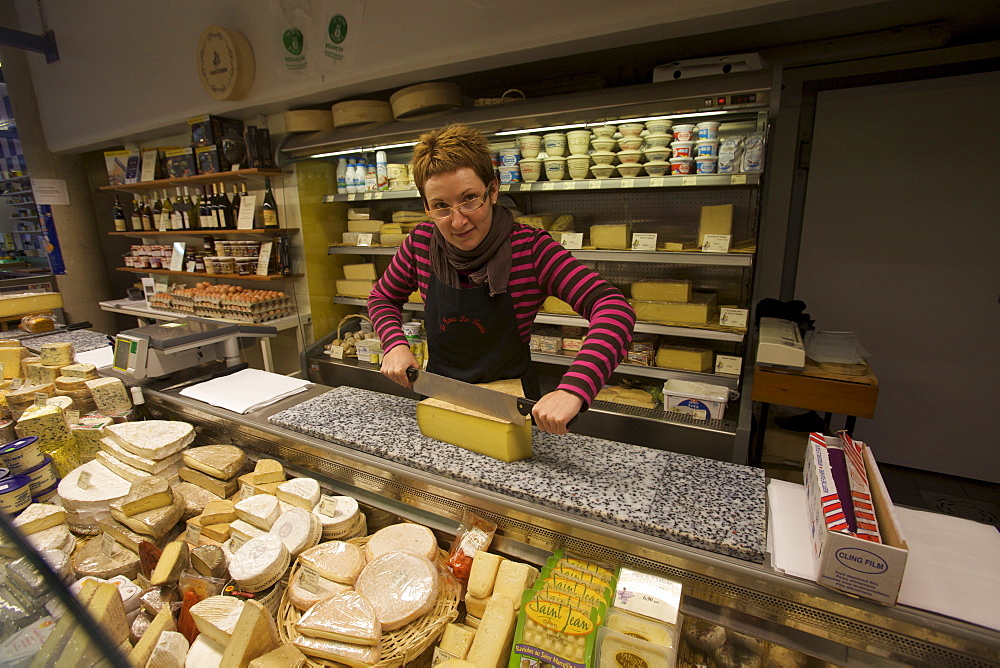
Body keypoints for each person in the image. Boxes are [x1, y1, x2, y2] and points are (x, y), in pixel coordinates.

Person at [368, 123, 635, 434]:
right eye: (441, 206)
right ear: (427, 207)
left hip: (512, 410)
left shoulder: (531, 250)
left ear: (493, 190)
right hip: (440, 399)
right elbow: (382, 297)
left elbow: (612, 306)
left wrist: (575, 388)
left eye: (470, 199)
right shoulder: (420, 244)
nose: (458, 221)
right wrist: (394, 342)